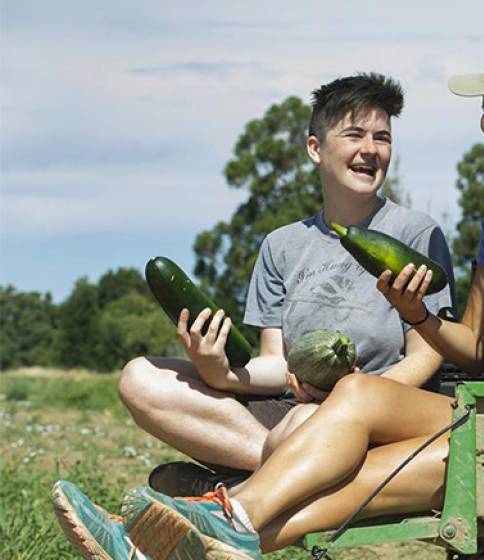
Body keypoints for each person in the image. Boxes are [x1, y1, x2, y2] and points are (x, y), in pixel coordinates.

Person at [55, 40, 484, 559]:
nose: (483, 121)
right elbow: (478, 349)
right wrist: (418, 315)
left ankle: (169, 536)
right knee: (352, 397)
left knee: (348, 483)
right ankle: (202, 530)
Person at [51, 73, 455, 559]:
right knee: (140, 378)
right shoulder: (281, 246)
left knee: (310, 419)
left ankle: (186, 518)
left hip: (372, 416)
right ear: (315, 148)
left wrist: (354, 401)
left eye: (382, 137)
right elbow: (273, 362)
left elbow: (428, 353)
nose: (371, 149)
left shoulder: (415, 232)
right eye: (355, 134)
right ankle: (305, 465)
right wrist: (218, 369)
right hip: (290, 413)